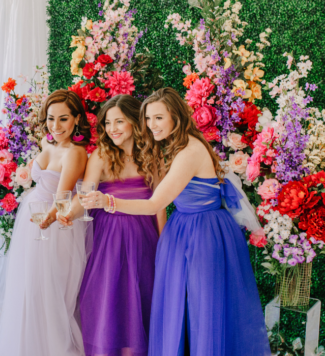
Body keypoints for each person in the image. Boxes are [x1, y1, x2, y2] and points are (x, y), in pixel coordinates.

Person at [81, 88, 270, 356]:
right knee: (184, 309)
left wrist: (107, 202)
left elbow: (154, 204)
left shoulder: (189, 152)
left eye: (158, 118)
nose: (151, 125)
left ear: (176, 118)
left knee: (204, 312)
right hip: (186, 228)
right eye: (148, 118)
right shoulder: (175, 145)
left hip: (202, 233)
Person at [58, 94, 167, 356]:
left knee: (140, 303)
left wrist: (163, 246)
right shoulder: (101, 157)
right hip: (108, 243)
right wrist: (65, 214)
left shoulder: (153, 156)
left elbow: (160, 206)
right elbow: (84, 197)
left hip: (144, 241)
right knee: (110, 303)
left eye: (119, 121)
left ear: (134, 123)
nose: (113, 129)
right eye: (108, 123)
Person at [0, 89, 91, 356]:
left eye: (63, 119)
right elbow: (34, 176)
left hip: (55, 224)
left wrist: (44, 221)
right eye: (51, 118)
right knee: (28, 286)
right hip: (32, 218)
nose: (55, 126)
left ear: (77, 119)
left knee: (51, 291)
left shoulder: (76, 153)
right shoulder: (49, 145)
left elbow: (62, 198)